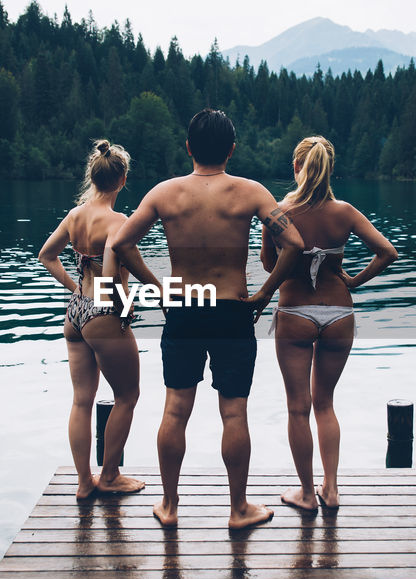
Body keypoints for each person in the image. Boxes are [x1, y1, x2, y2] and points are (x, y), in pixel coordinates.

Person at [106, 109, 305, 529]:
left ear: (189, 148)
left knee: (175, 409)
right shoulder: (251, 192)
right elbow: (294, 243)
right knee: (234, 412)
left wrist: (159, 288)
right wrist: (265, 294)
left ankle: (170, 506)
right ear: (232, 149)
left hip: (184, 308)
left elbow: (122, 242)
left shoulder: (165, 193)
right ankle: (237, 509)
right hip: (233, 308)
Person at [261, 136, 398, 510]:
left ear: (295, 167)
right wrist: (352, 280)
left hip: (295, 313)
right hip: (339, 314)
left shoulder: (278, 211)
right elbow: (388, 252)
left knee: (297, 407)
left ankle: (306, 494)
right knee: (325, 404)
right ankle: (331, 489)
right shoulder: (346, 212)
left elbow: (269, 266)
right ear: (331, 168)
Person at [38, 140, 161, 500]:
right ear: (122, 180)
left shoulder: (75, 216)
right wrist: (125, 311)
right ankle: (109, 476)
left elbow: (47, 255)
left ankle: (83, 482)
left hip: (75, 313)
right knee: (127, 394)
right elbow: (110, 277)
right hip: (102, 314)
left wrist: (74, 284)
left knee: (82, 400)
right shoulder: (119, 222)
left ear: (93, 177)